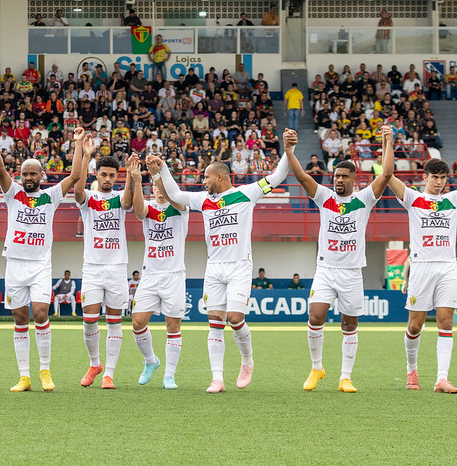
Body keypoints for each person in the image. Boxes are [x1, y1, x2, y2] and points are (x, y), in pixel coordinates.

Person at [149, 135, 293, 393]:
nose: (203, 181)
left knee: (235, 319)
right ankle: (217, 378)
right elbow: (175, 193)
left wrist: (289, 149)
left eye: (206, 177)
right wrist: (163, 168)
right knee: (215, 322)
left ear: (219, 176)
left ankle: (247, 361)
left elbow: (279, 175)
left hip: (239, 266)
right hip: (214, 268)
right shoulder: (203, 200)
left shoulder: (246, 193)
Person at [283, 126, 393, 393]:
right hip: (326, 269)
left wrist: (388, 141)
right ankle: (316, 368)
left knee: (349, 324)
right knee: (315, 315)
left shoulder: (364, 199)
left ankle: (345, 377)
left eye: (344, 176)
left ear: (354, 178)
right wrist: (288, 149)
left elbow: (387, 174)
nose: (339, 180)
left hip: (352, 272)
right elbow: (301, 176)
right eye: (336, 176)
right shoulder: (324, 197)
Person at [0, 121, 88, 393]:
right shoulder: (13, 193)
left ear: (42, 175)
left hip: (40, 265)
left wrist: (78, 143)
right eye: (24, 174)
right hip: (14, 265)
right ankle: (24, 376)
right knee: (20, 319)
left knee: (41, 314)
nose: (28, 177)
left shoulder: (51, 196)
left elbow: (75, 175)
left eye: (33, 173)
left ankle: (45, 370)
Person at [388, 158, 457, 393]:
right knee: (415, 325)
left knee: (446, 321)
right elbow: (387, 175)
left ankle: (441, 379)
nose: (439, 182)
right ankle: (412, 370)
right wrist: (388, 143)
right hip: (421, 267)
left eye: (443, 178)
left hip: (448, 266)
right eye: (435, 177)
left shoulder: (452, 200)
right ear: (424, 177)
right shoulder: (413, 198)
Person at [128, 155, 190, 389]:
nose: (159, 191)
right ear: (152, 189)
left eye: (161, 187)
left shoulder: (180, 208)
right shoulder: (150, 208)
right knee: (137, 322)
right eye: (155, 187)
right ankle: (151, 361)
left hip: (174, 275)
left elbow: (174, 198)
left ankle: (169, 375)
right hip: (151, 274)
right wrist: (136, 179)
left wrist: (158, 174)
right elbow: (138, 211)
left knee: (173, 326)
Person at [75, 148, 134, 389]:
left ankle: (108, 374)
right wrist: (85, 155)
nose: (108, 179)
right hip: (92, 267)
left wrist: (130, 173)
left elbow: (129, 202)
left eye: (112, 175)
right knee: (89, 319)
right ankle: (94, 364)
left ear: (117, 177)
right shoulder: (88, 198)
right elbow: (77, 190)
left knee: (114, 321)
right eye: (104, 174)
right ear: (96, 174)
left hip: (117, 267)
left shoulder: (120, 198)